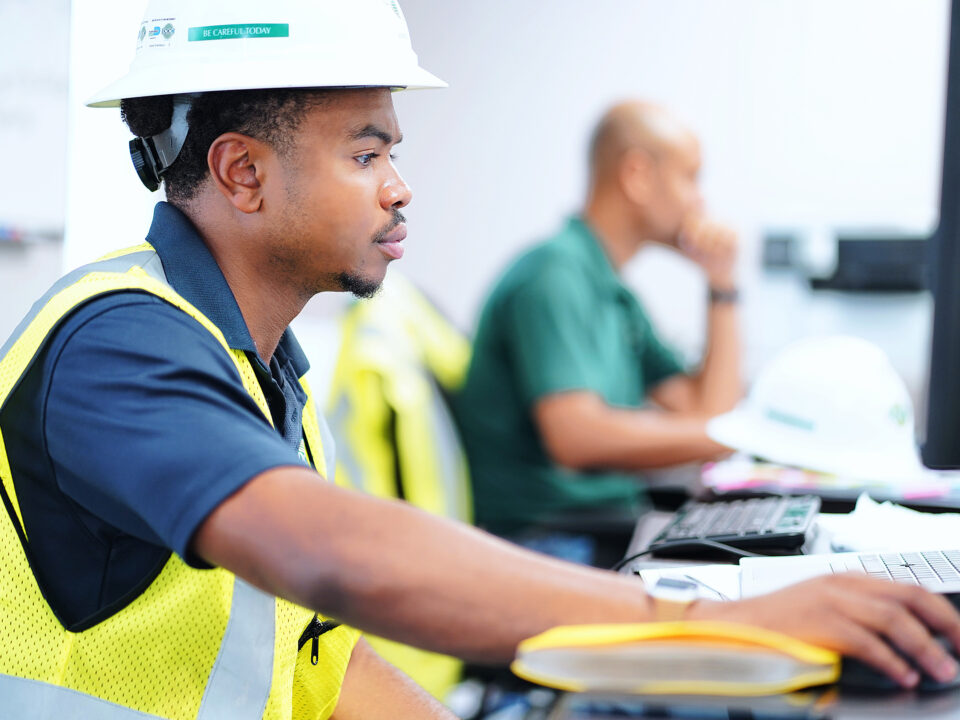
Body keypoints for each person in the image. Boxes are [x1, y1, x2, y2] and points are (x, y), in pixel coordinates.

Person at [0, 3, 958, 718]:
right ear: (242, 174)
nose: (401, 188)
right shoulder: (116, 341)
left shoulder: (257, 364)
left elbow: (315, 664)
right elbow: (329, 555)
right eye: (367, 156)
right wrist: (725, 626)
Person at [456, 101, 742, 562]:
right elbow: (576, 437)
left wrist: (722, 284)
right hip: (545, 542)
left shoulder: (612, 291)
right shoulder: (554, 276)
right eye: (690, 177)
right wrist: (734, 437)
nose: (700, 200)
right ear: (637, 175)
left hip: (600, 525)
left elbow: (707, 410)